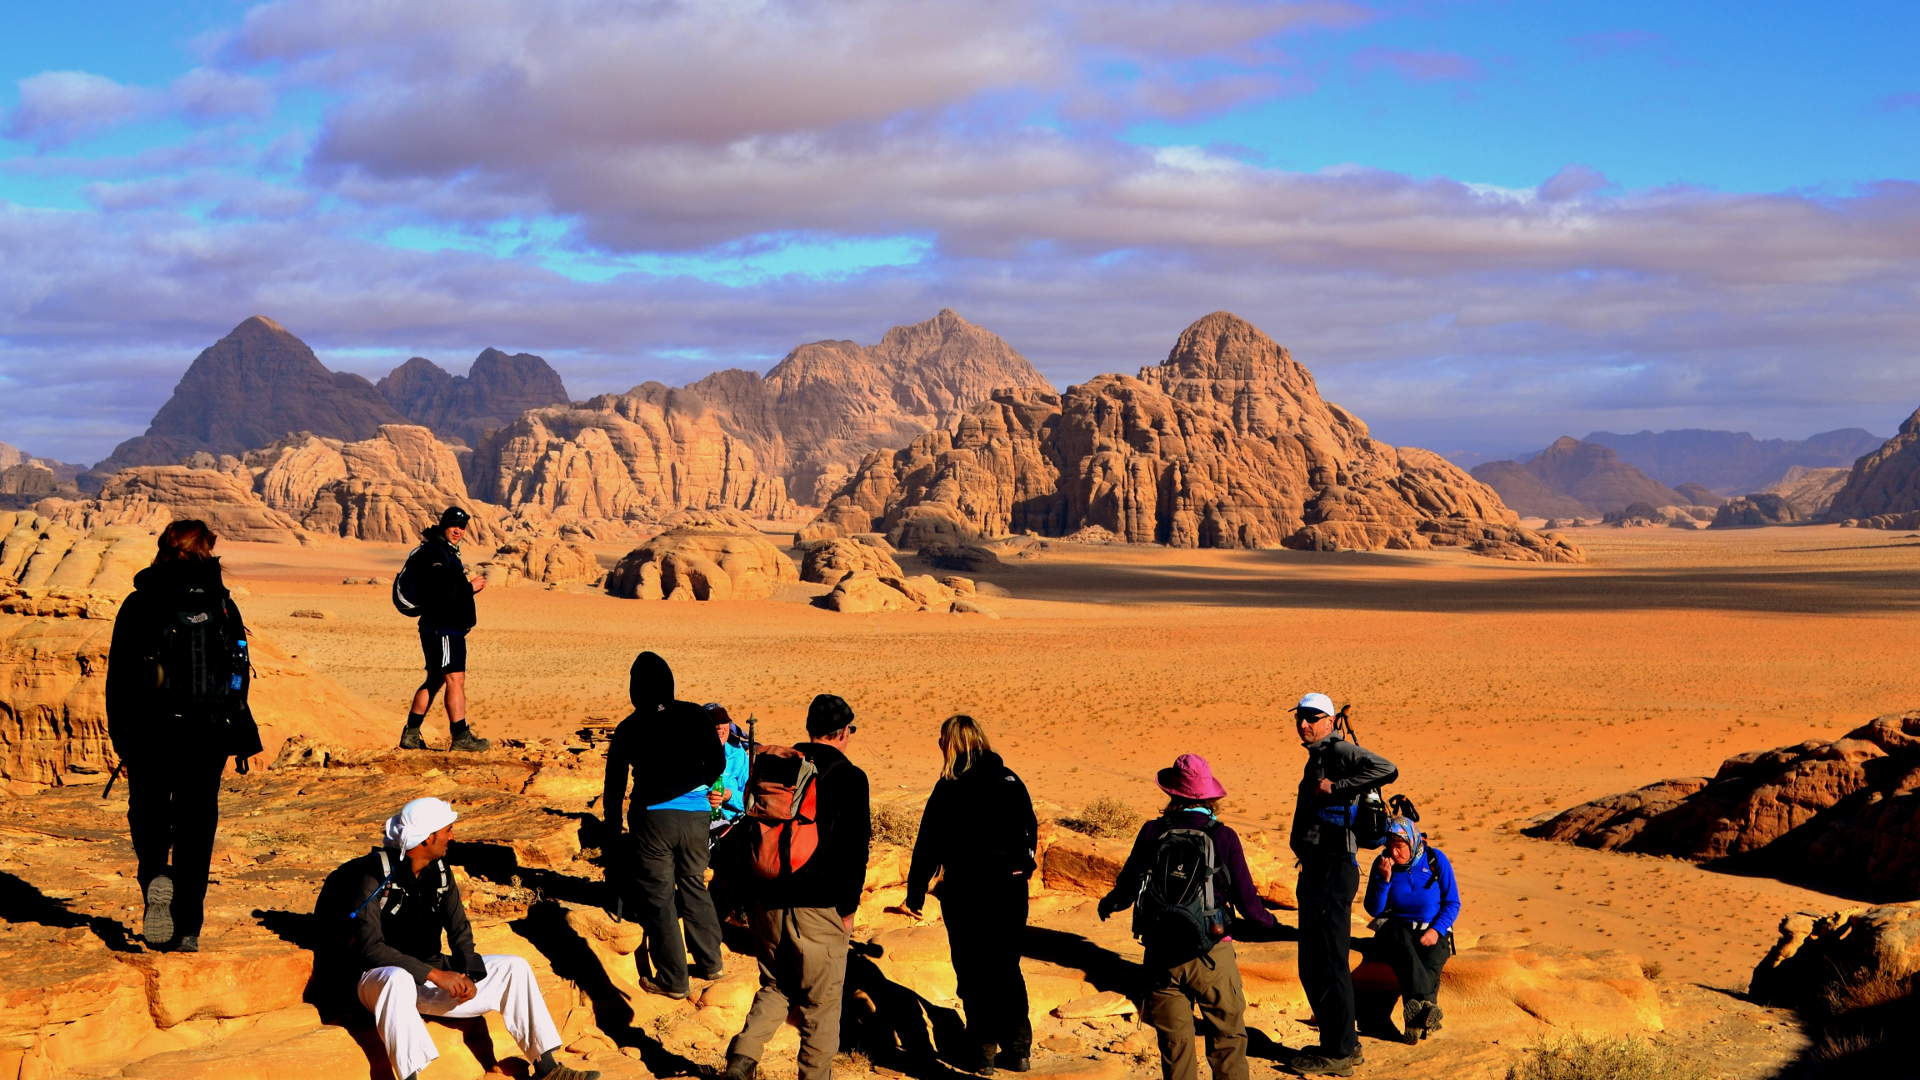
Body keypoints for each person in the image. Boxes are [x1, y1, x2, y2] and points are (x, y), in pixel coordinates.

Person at [349, 797, 598, 1080]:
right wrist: (437, 975)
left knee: (513, 968)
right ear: (428, 837)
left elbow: (459, 930)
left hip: (428, 981)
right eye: (447, 830)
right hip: (378, 983)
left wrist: (469, 972)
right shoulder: (372, 875)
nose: (452, 836)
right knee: (398, 978)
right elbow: (371, 948)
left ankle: (547, 1068)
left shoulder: (440, 872)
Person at [106, 519, 263, 953]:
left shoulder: (141, 602)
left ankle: (157, 873)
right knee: (197, 824)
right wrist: (234, 727)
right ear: (208, 552)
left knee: (150, 816)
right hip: (208, 734)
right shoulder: (222, 603)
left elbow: (119, 675)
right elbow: (239, 670)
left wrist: (122, 736)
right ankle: (188, 925)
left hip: (151, 732)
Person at [720, 693, 871, 1080]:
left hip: (767, 900)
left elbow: (748, 832)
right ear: (843, 733)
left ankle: (742, 1057)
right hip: (818, 908)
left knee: (775, 986)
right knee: (820, 1006)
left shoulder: (779, 767)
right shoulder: (849, 777)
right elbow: (854, 852)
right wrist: (848, 910)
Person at [1098, 754, 1277, 1080]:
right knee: (1227, 1039)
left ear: (1172, 794)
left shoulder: (1153, 831)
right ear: (1209, 795)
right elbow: (1248, 902)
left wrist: (1109, 904)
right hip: (1212, 952)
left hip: (1161, 953)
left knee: (1174, 1044)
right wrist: (1271, 925)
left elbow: (1128, 885)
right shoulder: (1223, 836)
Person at [902, 714, 1038, 1073]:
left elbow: (927, 843)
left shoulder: (950, 785)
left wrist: (915, 893)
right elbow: (1029, 831)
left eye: (941, 739)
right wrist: (1024, 870)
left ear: (953, 744)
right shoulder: (1011, 780)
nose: (938, 745)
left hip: (967, 892)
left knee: (974, 968)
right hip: (1010, 891)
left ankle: (983, 1049)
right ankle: (1019, 1046)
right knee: (1006, 965)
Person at [601, 651, 726, 997]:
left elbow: (614, 785)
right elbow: (717, 762)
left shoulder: (629, 727)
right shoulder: (696, 715)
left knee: (659, 898)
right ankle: (711, 962)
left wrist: (612, 829)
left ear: (635, 688)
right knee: (693, 884)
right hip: (697, 814)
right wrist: (691, 783)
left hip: (653, 818)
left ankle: (673, 979)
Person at [1286, 693, 1398, 1078]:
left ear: (1330, 720)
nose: (1304, 724)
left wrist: (1337, 788)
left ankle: (1338, 1051)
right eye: (1300, 717)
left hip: (1333, 869)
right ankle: (1341, 1042)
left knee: (1327, 960)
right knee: (1315, 961)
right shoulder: (1317, 754)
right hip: (1319, 867)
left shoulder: (1338, 749)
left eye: (1313, 718)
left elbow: (1387, 767)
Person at [397, 506, 490, 752]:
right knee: (455, 679)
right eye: (453, 525)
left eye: (462, 527)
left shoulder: (443, 551)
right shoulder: (435, 553)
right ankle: (460, 737)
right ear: (443, 525)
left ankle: (411, 734)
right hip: (443, 628)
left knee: (436, 679)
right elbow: (440, 592)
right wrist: (470, 588)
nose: (458, 530)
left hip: (443, 627)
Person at [1362, 815, 1459, 1044]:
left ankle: (1414, 1024)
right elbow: (1374, 909)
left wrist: (1436, 930)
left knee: (1431, 961)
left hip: (1433, 928)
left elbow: (1452, 902)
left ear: (1412, 841)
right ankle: (1428, 1009)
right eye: (1391, 846)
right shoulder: (1383, 863)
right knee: (1405, 952)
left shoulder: (1435, 859)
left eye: (1400, 846)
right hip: (1396, 928)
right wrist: (1383, 882)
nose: (1395, 853)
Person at [706, 704, 753, 833]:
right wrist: (705, 799)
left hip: (734, 825)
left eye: (724, 722)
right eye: (714, 722)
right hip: (699, 823)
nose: (720, 727)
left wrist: (730, 796)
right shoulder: (691, 756)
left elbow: (751, 800)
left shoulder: (738, 754)